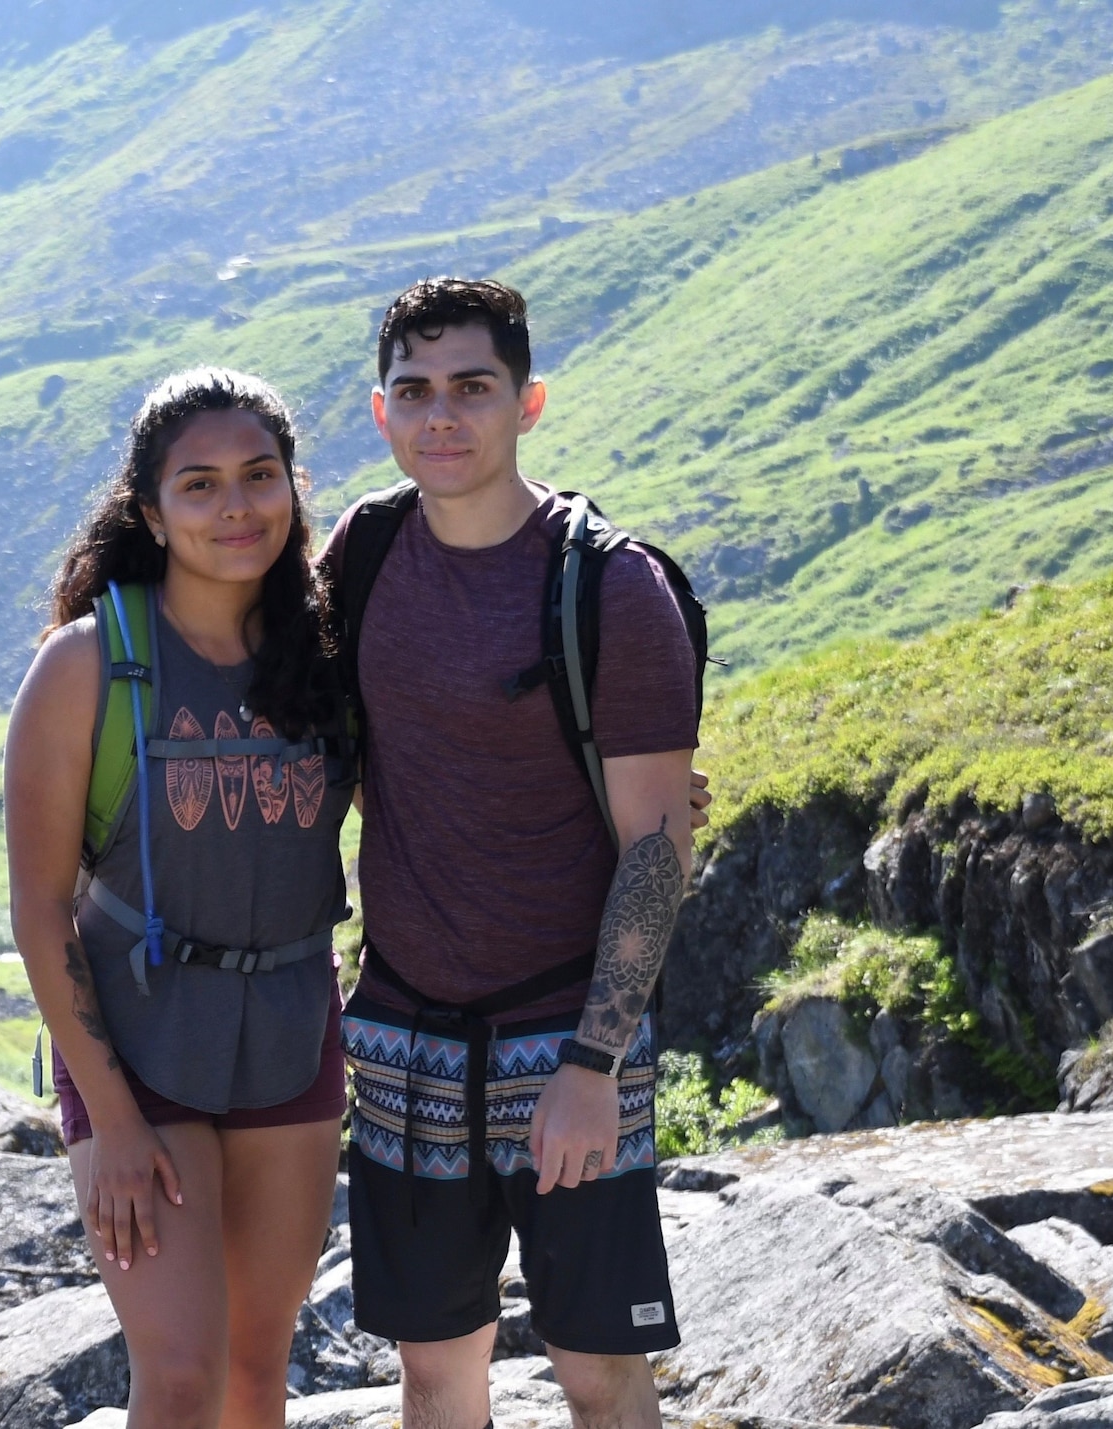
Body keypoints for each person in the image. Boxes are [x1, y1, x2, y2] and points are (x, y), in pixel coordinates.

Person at [323, 277, 701, 1429]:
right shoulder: (366, 551)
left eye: (471, 388)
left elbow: (654, 843)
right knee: (433, 1372)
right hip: (401, 1033)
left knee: (597, 1367)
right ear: (380, 412)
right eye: (414, 391)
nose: (442, 416)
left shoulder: (610, 588)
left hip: (563, 1034)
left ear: (526, 402)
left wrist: (593, 1063)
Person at [4, 369, 357, 1429]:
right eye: (197, 486)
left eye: (258, 476)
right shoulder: (87, 666)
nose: (235, 506)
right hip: (137, 1045)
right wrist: (109, 1120)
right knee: (179, 1375)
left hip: (290, 1032)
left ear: (292, 489)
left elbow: (457, 765)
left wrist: (635, 785)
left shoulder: (331, 652)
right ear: (150, 515)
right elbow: (37, 908)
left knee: (257, 1373)